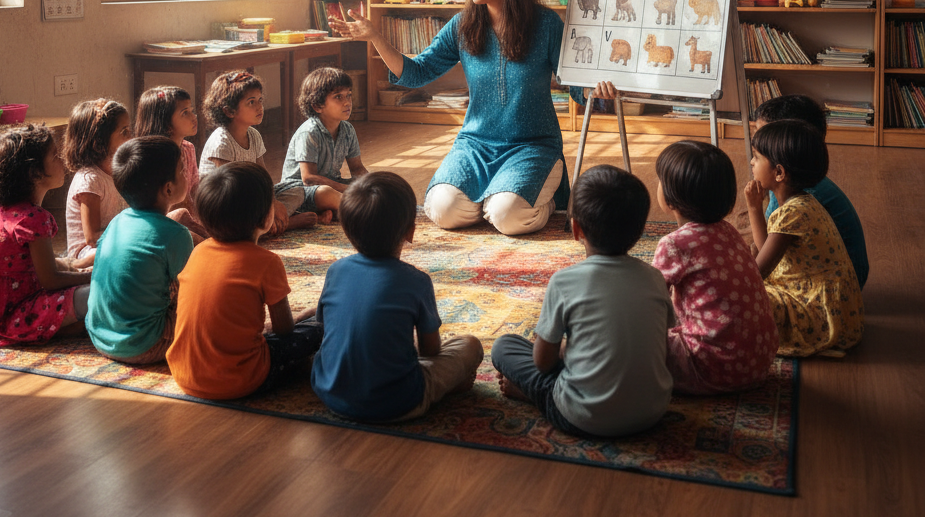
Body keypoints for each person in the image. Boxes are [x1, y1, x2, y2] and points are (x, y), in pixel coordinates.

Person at [333, 0, 615, 235]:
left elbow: (574, 84)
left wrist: (594, 91)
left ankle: (541, 199)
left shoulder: (546, 25)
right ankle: (497, 198)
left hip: (533, 145)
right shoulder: (462, 25)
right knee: (442, 210)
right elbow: (416, 72)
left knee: (508, 216)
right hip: (476, 144)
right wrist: (375, 36)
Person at [491, 164, 673, 436]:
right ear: (639, 233)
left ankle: (535, 396)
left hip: (583, 418)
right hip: (652, 413)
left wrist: (566, 350)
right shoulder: (655, 278)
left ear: (576, 230)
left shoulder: (564, 282)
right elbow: (661, 344)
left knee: (504, 346)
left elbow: (543, 363)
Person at [311, 172, 483, 422]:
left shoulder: (336, 270)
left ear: (346, 231)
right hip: (399, 403)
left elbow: (327, 328)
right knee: (470, 345)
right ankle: (442, 388)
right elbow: (430, 350)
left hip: (330, 395)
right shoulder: (416, 281)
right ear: (410, 232)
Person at [167, 162, 322, 400]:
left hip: (184, 374)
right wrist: (305, 317)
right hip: (240, 379)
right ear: (264, 219)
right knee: (318, 328)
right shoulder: (266, 262)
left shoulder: (198, 251)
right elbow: (284, 329)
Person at [652, 141, 778, 394]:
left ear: (672, 198)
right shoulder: (729, 231)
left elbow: (648, 302)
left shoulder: (674, 244)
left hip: (713, 368)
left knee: (630, 342)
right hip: (759, 362)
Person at [0, 124, 91, 347]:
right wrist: (91, 277)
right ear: (34, 172)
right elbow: (51, 280)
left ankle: (66, 328)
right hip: (10, 316)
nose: (62, 160)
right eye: (55, 156)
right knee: (96, 293)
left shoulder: (4, 210)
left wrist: (72, 265)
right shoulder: (34, 218)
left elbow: (28, 267)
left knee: (85, 288)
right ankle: (58, 328)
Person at [745, 120, 864, 357]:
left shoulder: (794, 213)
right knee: (749, 253)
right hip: (834, 309)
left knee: (737, 299)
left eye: (757, 157)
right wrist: (755, 209)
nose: (751, 162)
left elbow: (757, 275)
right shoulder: (802, 202)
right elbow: (764, 248)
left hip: (819, 316)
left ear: (779, 172)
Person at [85, 136, 194, 364]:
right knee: (210, 301)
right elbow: (192, 294)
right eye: (182, 171)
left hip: (99, 336)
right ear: (168, 189)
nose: (187, 175)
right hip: (144, 344)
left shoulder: (118, 220)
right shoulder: (176, 235)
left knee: (179, 220)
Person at [752, 94, 868, 288]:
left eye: (762, 135)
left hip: (831, 288)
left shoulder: (794, 196)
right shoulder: (796, 178)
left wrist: (753, 209)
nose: (756, 141)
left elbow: (763, 264)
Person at [199, 70, 315, 234]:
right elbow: (230, 191)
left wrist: (272, 202)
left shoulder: (254, 135)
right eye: (251, 102)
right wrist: (267, 206)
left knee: (296, 191)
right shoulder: (222, 142)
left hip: (249, 196)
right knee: (241, 213)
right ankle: (282, 224)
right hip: (227, 203)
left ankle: (268, 224)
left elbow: (263, 176)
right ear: (229, 111)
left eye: (260, 100)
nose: (260, 107)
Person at [274, 66, 367, 223]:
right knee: (327, 193)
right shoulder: (309, 132)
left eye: (348, 95)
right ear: (317, 105)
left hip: (330, 186)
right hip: (300, 191)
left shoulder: (347, 129)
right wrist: (349, 190)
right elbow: (309, 179)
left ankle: (333, 212)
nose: (347, 102)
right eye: (338, 97)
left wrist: (372, 185)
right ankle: (357, 210)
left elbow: (357, 168)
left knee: (374, 185)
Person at [62, 97, 132, 265]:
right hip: (87, 253)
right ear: (98, 143)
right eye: (124, 132)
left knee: (178, 217)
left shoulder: (119, 171)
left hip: (117, 240)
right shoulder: (90, 180)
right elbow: (92, 238)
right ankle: (71, 267)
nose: (131, 136)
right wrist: (131, 233)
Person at [136, 85, 205, 242]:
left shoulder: (188, 149)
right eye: (184, 113)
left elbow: (195, 189)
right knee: (202, 242)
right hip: (161, 224)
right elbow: (166, 206)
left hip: (187, 218)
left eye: (191, 110)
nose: (194, 117)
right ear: (166, 123)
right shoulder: (153, 158)